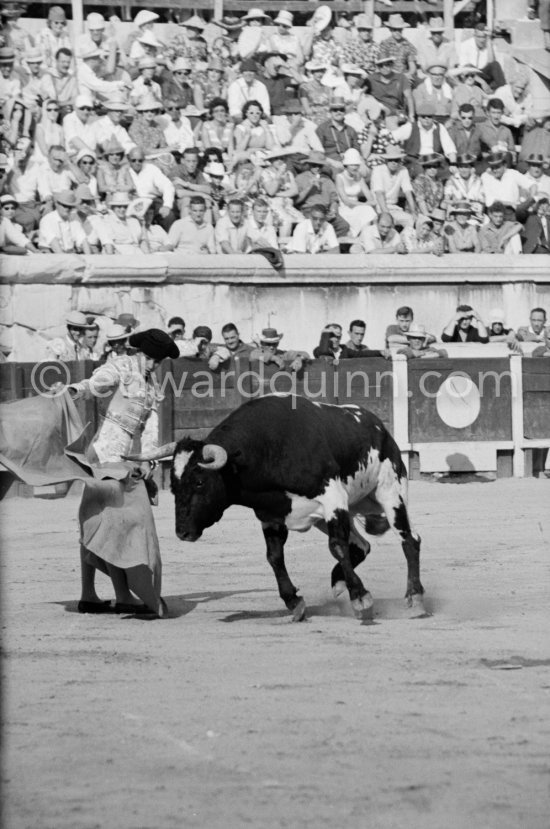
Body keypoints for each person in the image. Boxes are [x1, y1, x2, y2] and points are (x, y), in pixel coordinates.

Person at [66, 328, 179, 616]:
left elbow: (151, 429)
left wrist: (148, 462)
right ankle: (91, 593)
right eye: (152, 358)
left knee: (113, 523)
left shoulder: (152, 384)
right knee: (100, 521)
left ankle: (113, 594)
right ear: (140, 352)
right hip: (104, 453)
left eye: (159, 360)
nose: (155, 364)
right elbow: (100, 381)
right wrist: (78, 389)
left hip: (125, 458)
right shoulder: (122, 366)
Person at [370, 146, 416, 229]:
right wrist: (387, 215)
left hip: (394, 208)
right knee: (386, 223)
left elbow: (408, 192)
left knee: (411, 220)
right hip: (378, 208)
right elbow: (379, 194)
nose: (394, 163)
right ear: (386, 161)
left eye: (397, 160)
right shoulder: (378, 170)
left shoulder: (403, 170)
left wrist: (413, 212)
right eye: (391, 160)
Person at [335, 148, 376, 237]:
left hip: (358, 208)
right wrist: (365, 204)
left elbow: (369, 196)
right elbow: (346, 201)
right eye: (352, 164)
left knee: (369, 211)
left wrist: (370, 202)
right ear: (346, 165)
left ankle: (365, 238)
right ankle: (363, 238)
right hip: (345, 209)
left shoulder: (359, 177)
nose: (355, 167)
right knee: (367, 210)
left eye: (356, 164)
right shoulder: (340, 177)